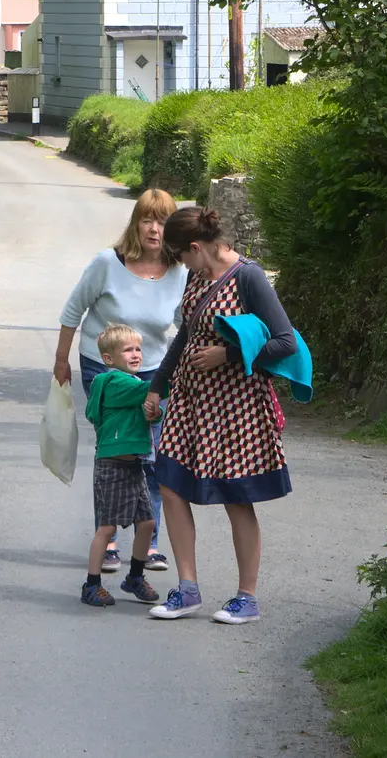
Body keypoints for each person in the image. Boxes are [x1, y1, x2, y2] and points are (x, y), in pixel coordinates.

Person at [143, 206, 296, 625]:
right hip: (190, 404)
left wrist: (227, 354)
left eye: (181, 256)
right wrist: (159, 385)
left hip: (236, 406)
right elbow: (185, 337)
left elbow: (285, 342)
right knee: (171, 484)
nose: (181, 265)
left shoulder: (249, 277)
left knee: (236, 497)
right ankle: (187, 589)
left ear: (195, 247)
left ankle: (247, 598)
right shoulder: (197, 276)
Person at [55, 188, 187, 572]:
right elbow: (73, 310)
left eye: (162, 220)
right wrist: (61, 360)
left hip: (154, 371)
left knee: (153, 456)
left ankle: (150, 544)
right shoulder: (107, 263)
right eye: (147, 219)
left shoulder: (179, 272)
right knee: (116, 455)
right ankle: (108, 537)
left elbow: (184, 324)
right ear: (136, 223)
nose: (154, 228)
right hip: (105, 368)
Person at [80, 324, 162, 608]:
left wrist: (154, 411)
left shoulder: (130, 384)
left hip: (132, 465)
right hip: (112, 466)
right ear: (109, 359)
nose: (136, 354)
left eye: (138, 348)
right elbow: (149, 390)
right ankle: (91, 584)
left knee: (147, 522)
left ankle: (135, 577)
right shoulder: (117, 382)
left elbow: (147, 411)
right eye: (128, 350)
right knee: (106, 527)